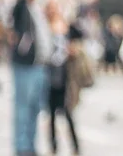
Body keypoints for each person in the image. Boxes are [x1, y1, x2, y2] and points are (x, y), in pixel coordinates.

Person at [9, 0, 51, 156]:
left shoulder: (38, 9)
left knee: (35, 108)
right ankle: (22, 147)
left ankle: (31, 146)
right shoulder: (21, 8)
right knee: (23, 108)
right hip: (25, 65)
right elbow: (17, 8)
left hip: (40, 65)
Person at [45, 11, 82, 154]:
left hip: (65, 82)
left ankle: (75, 147)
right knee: (52, 116)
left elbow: (80, 35)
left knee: (68, 115)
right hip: (51, 82)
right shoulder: (48, 38)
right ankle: (53, 147)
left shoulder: (69, 36)